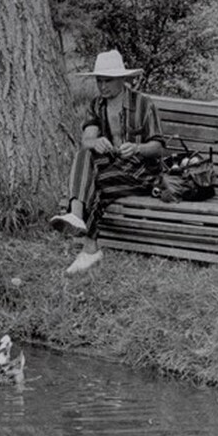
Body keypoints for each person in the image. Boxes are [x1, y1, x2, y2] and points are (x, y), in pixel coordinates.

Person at [50, 49, 166, 274]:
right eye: (99, 81)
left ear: (122, 79)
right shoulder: (97, 105)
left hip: (142, 173)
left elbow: (159, 148)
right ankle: (76, 216)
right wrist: (96, 142)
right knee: (85, 155)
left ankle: (90, 248)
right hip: (113, 168)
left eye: (108, 81)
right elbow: (86, 141)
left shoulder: (143, 104)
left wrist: (137, 148)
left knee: (97, 183)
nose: (102, 86)